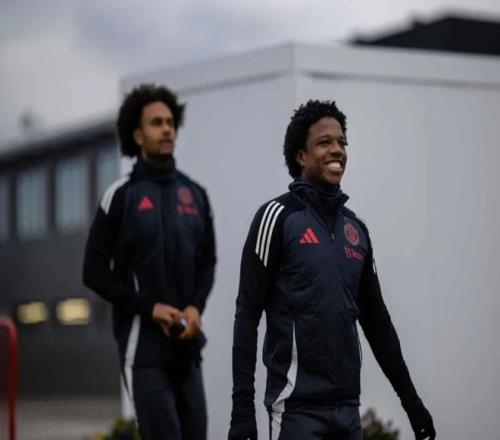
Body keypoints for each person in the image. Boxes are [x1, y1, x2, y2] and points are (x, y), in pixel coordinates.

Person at [228, 100, 435, 440]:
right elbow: (247, 315)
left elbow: (378, 325)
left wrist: (412, 404)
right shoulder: (276, 217)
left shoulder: (357, 230)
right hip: (295, 412)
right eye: (325, 142)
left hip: (348, 411)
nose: (337, 150)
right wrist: (241, 410)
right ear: (301, 156)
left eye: (342, 142)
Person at [83, 84, 216, 440]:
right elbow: (93, 271)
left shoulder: (196, 194)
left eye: (170, 122)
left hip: (186, 348)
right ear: (138, 135)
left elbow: (208, 261)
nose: (167, 129)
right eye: (157, 123)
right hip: (142, 348)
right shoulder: (120, 196)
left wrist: (196, 307)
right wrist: (149, 307)